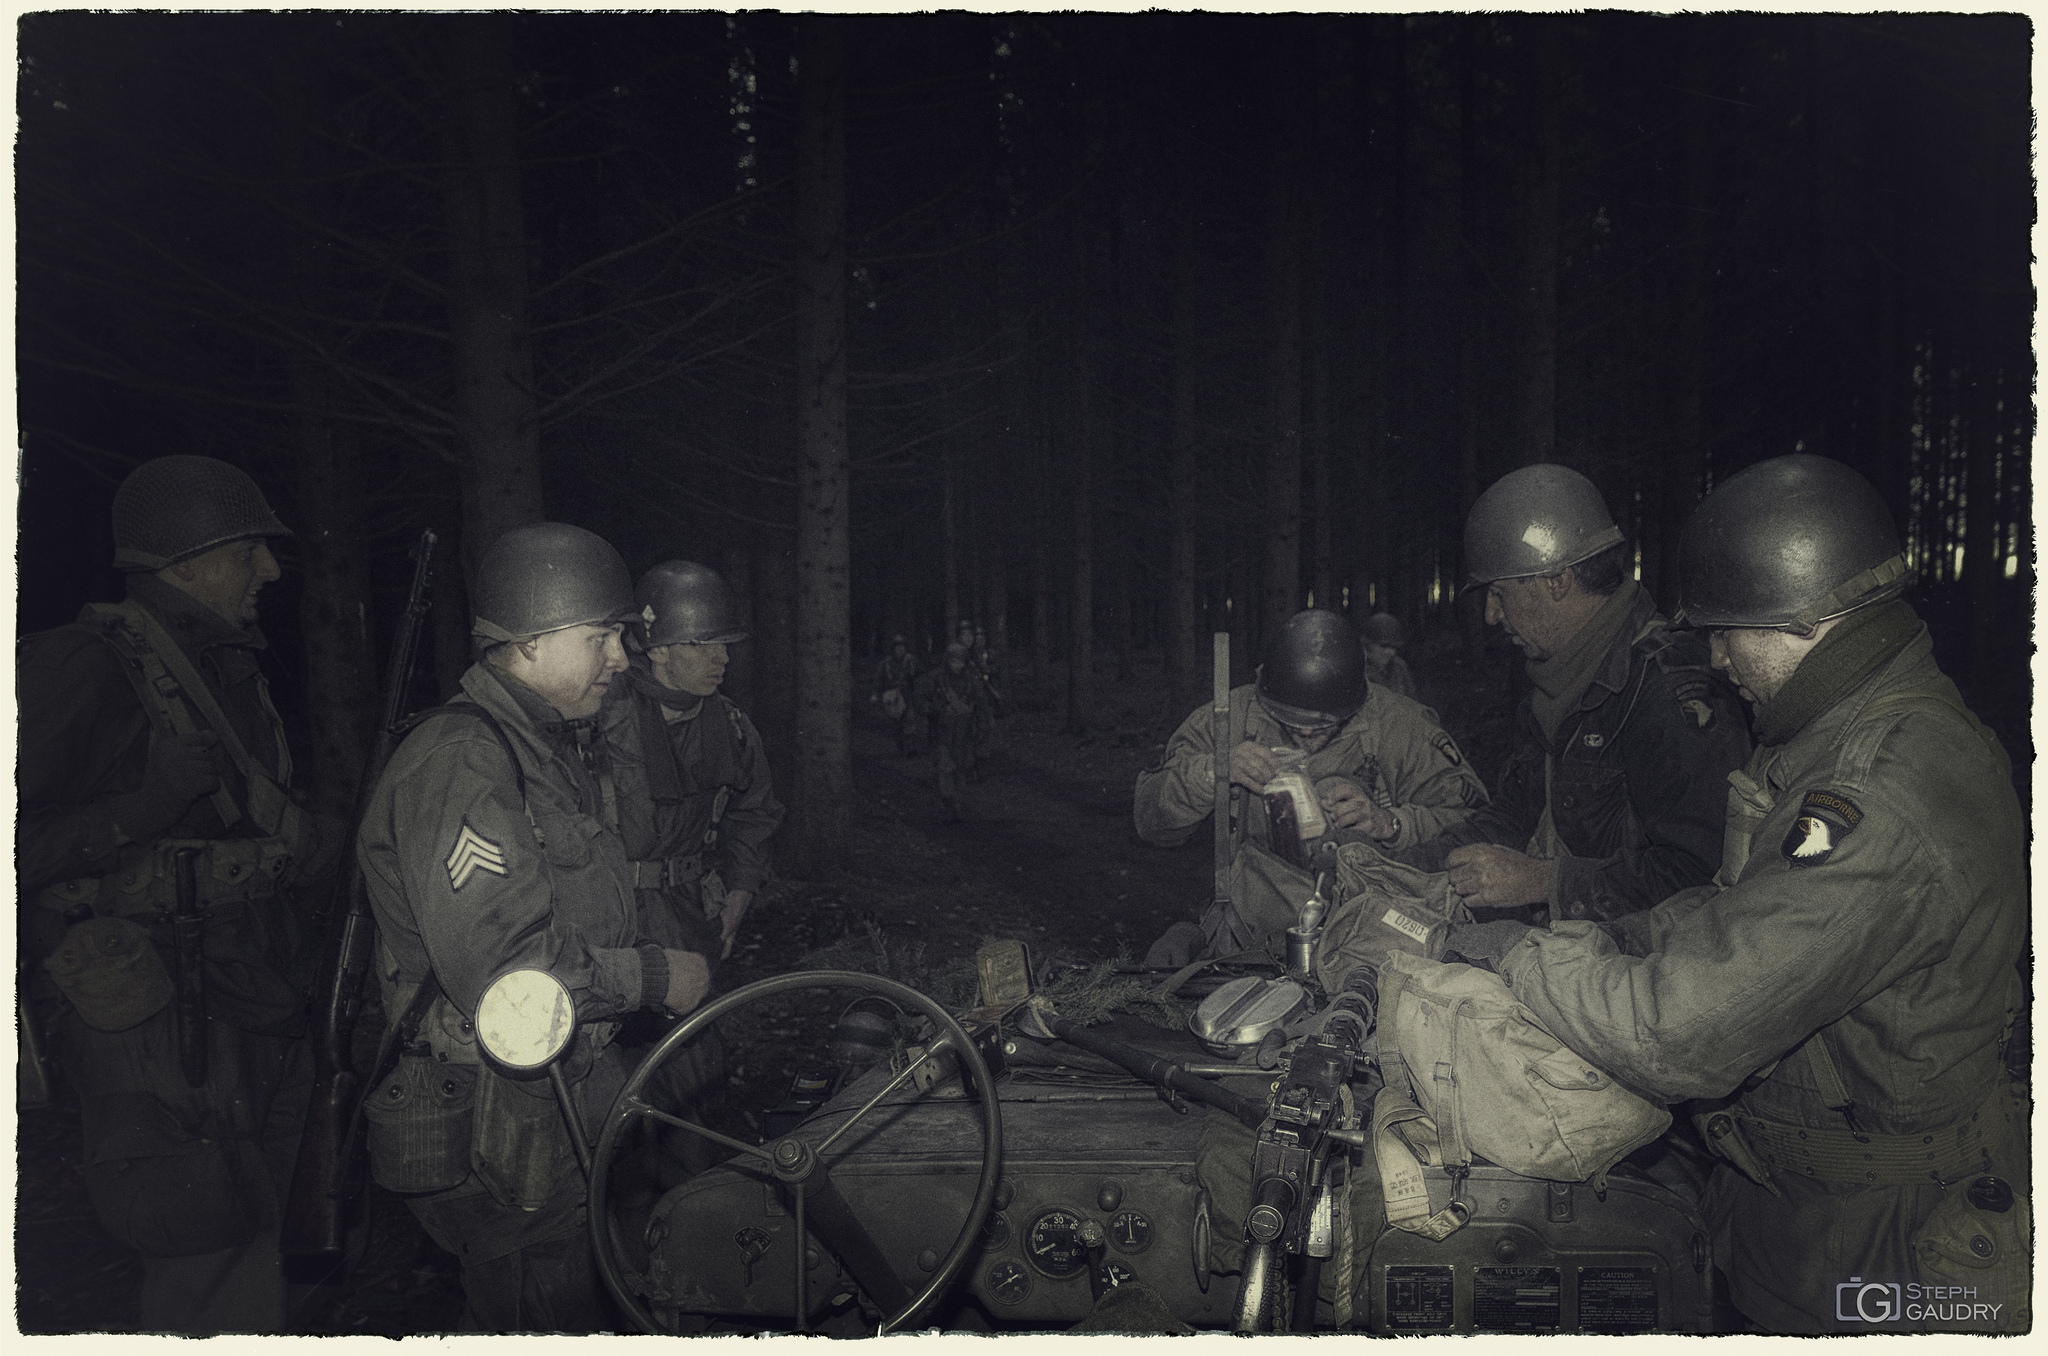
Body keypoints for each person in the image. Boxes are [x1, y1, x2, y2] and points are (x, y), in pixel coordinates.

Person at [1448, 456, 2027, 1333]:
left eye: (1727, 632)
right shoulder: (1846, 736)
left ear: (1809, 620)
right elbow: (1735, 912)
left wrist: (1522, 959)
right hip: (1804, 1205)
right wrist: (1615, 940)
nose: (1714, 660)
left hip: (1877, 1248)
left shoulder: (1877, 794)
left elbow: (1679, 1028)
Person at [355, 522, 712, 1332]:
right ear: (527, 643)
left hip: (550, 1095)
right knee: (542, 1308)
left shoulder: (533, 748)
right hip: (500, 1121)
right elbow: (507, 974)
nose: (621, 657)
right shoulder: (463, 762)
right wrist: (653, 976)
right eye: (601, 637)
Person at [18, 455, 326, 1333]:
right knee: (206, 1257)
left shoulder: (228, 666)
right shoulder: (87, 667)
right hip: (156, 1029)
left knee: (286, 1245)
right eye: (247, 551)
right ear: (181, 565)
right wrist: (143, 806)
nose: (268, 569)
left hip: (253, 998)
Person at [1392, 463, 1749, 923]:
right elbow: (1510, 820)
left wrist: (1543, 882)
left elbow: (1702, 876)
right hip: (1578, 949)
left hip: (1644, 965)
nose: (1491, 615)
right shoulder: (1555, 683)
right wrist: (1397, 868)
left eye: (1499, 593)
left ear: (1557, 581)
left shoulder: (1669, 689)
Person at [1134, 608, 1488, 960]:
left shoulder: (1402, 726)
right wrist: (1212, 772)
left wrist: (1392, 824)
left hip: (1373, 935)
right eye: (1289, 721)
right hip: (1247, 935)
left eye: (1321, 726)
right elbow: (1152, 822)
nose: (1304, 733)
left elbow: (1478, 824)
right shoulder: (1230, 718)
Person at [916, 641, 986, 821]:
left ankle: (957, 801)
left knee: (962, 769)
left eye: (961, 661)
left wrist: (982, 728)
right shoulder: (936, 679)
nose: (958, 665)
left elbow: (981, 705)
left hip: (965, 733)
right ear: (948, 661)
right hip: (943, 732)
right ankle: (950, 803)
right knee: (945, 769)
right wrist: (935, 709)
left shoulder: (971, 680)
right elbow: (919, 699)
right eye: (954, 661)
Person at [874, 633, 922, 756]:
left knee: (910, 720)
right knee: (896, 724)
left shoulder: (911, 660)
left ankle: (911, 748)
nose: (900, 649)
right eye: (897, 646)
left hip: (908, 694)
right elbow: (879, 680)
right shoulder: (886, 664)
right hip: (892, 697)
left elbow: (919, 676)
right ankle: (900, 748)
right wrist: (876, 693)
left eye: (902, 646)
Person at [1358, 611, 1417, 700]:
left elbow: (1412, 702)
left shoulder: (1399, 668)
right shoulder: (1356, 670)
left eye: (1394, 647)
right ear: (1367, 644)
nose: (1390, 652)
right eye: (1384, 646)